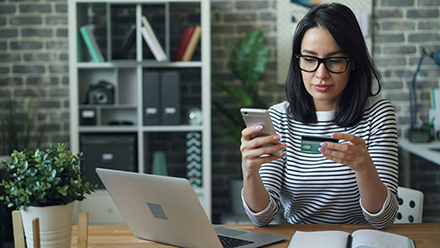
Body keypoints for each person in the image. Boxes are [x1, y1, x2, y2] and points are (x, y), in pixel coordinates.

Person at [240, 3, 399, 230]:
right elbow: (262, 218)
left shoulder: (378, 114)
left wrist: (364, 168)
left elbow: (384, 219)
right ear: (298, 61)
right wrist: (250, 171)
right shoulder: (278, 118)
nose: (320, 74)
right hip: (298, 240)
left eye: (334, 60)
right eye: (310, 59)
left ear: (352, 62)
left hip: (360, 239)